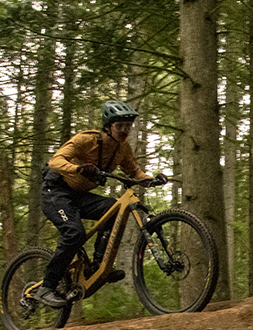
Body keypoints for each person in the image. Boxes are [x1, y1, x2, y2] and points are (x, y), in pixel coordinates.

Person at [32, 100, 163, 307]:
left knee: (113, 210)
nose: (124, 131)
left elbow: (134, 172)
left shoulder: (122, 148)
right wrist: (79, 168)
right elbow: (55, 161)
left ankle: (98, 266)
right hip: (56, 191)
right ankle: (46, 287)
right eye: (119, 126)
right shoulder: (86, 140)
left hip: (79, 194)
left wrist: (152, 179)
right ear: (107, 126)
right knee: (74, 233)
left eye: (128, 127)